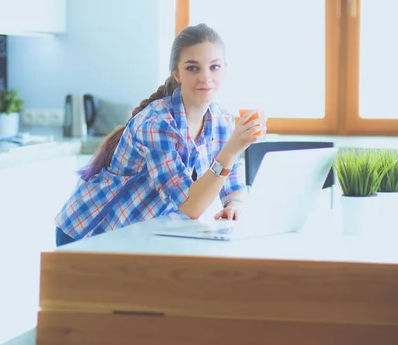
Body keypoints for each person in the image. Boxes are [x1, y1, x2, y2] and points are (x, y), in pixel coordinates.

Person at [55, 23, 267, 246]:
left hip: (139, 234)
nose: (205, 77)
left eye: (214, 67)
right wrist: (232, 148)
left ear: (225, 69)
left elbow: (233, 184)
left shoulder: (222, 120)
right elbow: (190, 205)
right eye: (192, 68)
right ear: (176, 72)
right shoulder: (157, 123)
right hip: (89, 233)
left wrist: (234, 204)